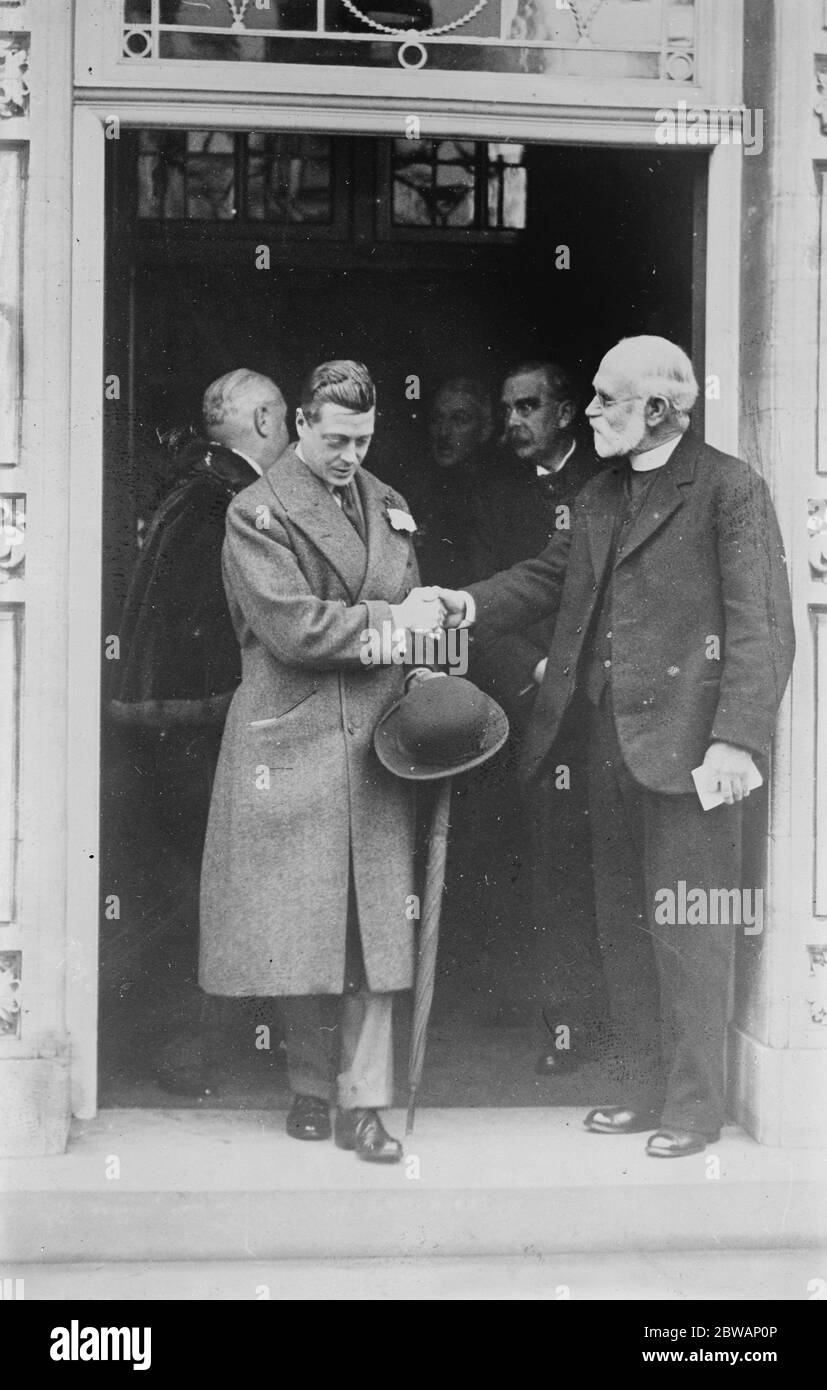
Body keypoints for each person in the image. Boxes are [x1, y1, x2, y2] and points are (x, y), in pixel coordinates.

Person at [436, 336, 795, 1157]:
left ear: (658, 410)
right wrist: (459, 604)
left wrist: (735, 741)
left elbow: (764, 628)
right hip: (609, 748)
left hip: (695, 756)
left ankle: (694, 1110)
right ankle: (639, 1090)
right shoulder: (601, 494)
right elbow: (541, 578)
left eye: (604, 398)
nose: (589, 411)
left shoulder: (728, 490)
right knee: (621, 925)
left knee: (691, 930)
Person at [198, 360, 444, 1164]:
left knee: (376, 928)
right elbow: (293, 628)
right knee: (306, 929)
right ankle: (309, 1085)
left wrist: (427, 659)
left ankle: (362, 1103)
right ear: (299, 424)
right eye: (335, 438)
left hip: (377, 742)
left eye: (363, 440)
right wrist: (397, 625)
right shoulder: (254, 511)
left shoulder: (390, 504)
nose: (348, 454)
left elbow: (419, 611)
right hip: (293, 741)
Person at [107, 368, 289, 1094]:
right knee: (196, 885)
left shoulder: (196, 485)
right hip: (193, 730)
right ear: (268, 422)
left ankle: (201, 1044)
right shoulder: (227, 501)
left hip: (172, 724)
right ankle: (182, 1049)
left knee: (197, 882)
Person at [465, 361, 606, 1067]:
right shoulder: (490, 496)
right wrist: (538, 672)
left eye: (529, 407)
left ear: (564, 412)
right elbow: (487, 605)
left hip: (607, 707)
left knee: (608, 866)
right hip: (527, 707)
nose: (515, 421)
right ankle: (565, 1026)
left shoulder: (604, 484)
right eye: (507, 408)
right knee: (543, 867)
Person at [404, 376, 494, 588]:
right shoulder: (418, 493)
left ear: (484, 430)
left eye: (459, 419)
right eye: (438, 419)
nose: (443, 432)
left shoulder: (495, 498)